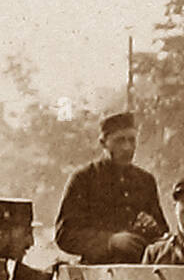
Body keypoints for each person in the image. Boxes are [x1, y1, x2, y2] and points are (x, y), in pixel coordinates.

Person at [55, 112, 167, 263]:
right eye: (119, 141)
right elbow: (65, 234)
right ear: (103, 143)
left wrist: (153, 227)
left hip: (141, 269)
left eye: (132, 140)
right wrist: (110, 241)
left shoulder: (146, 181)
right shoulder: (84, 178)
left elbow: (162, 232)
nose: (127, 147)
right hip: (99, 272)